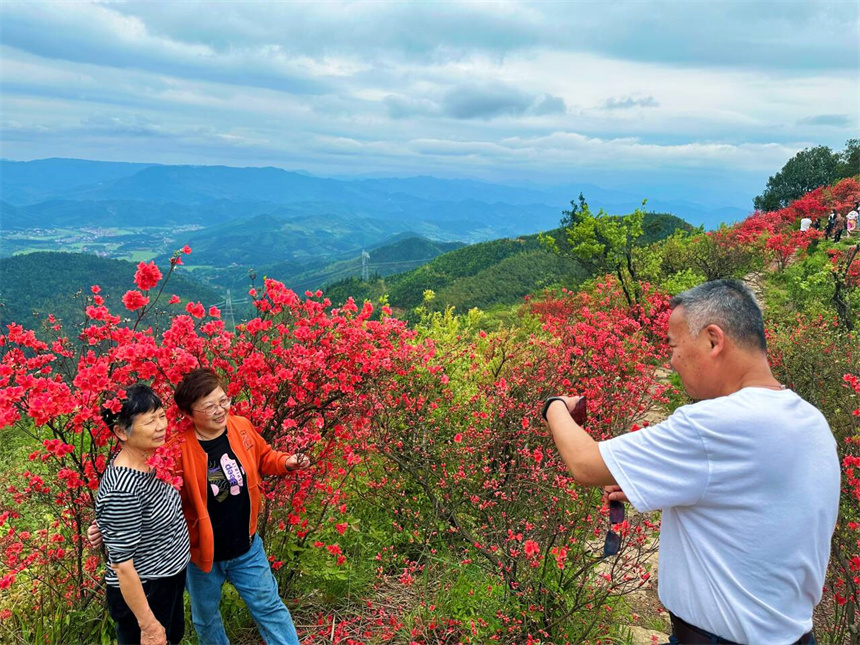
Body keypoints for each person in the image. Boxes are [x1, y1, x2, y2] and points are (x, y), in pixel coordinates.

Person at [542, 279, 839, 645]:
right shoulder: (812, 420)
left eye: (674, 345)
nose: (671, 360)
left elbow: (584, 463)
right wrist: (663, 485)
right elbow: (758, 511)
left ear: (713, 340)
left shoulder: (714, 424)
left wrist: (555, 406)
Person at [91, 368, 310, 645]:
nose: (221, 410)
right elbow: (132, 494)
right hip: (201, 556)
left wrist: (285, 462)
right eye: (209, 406)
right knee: (206, 620)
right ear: (189, 413)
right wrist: (105, 524)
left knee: (269, 607)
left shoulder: (239, 426)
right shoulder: (174, 449)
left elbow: (264, 456)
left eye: (224, 401)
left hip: (247, 546)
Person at [96, 384, 190, 645]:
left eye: (161, 416)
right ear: (120, 432)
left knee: (173, 637)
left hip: (167, 578)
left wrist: (102, 527)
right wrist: (148, 625)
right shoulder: (122, 490)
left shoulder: (152, 459)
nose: (161, 426)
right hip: (145, 589)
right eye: (150, 421)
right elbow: (123, 567)